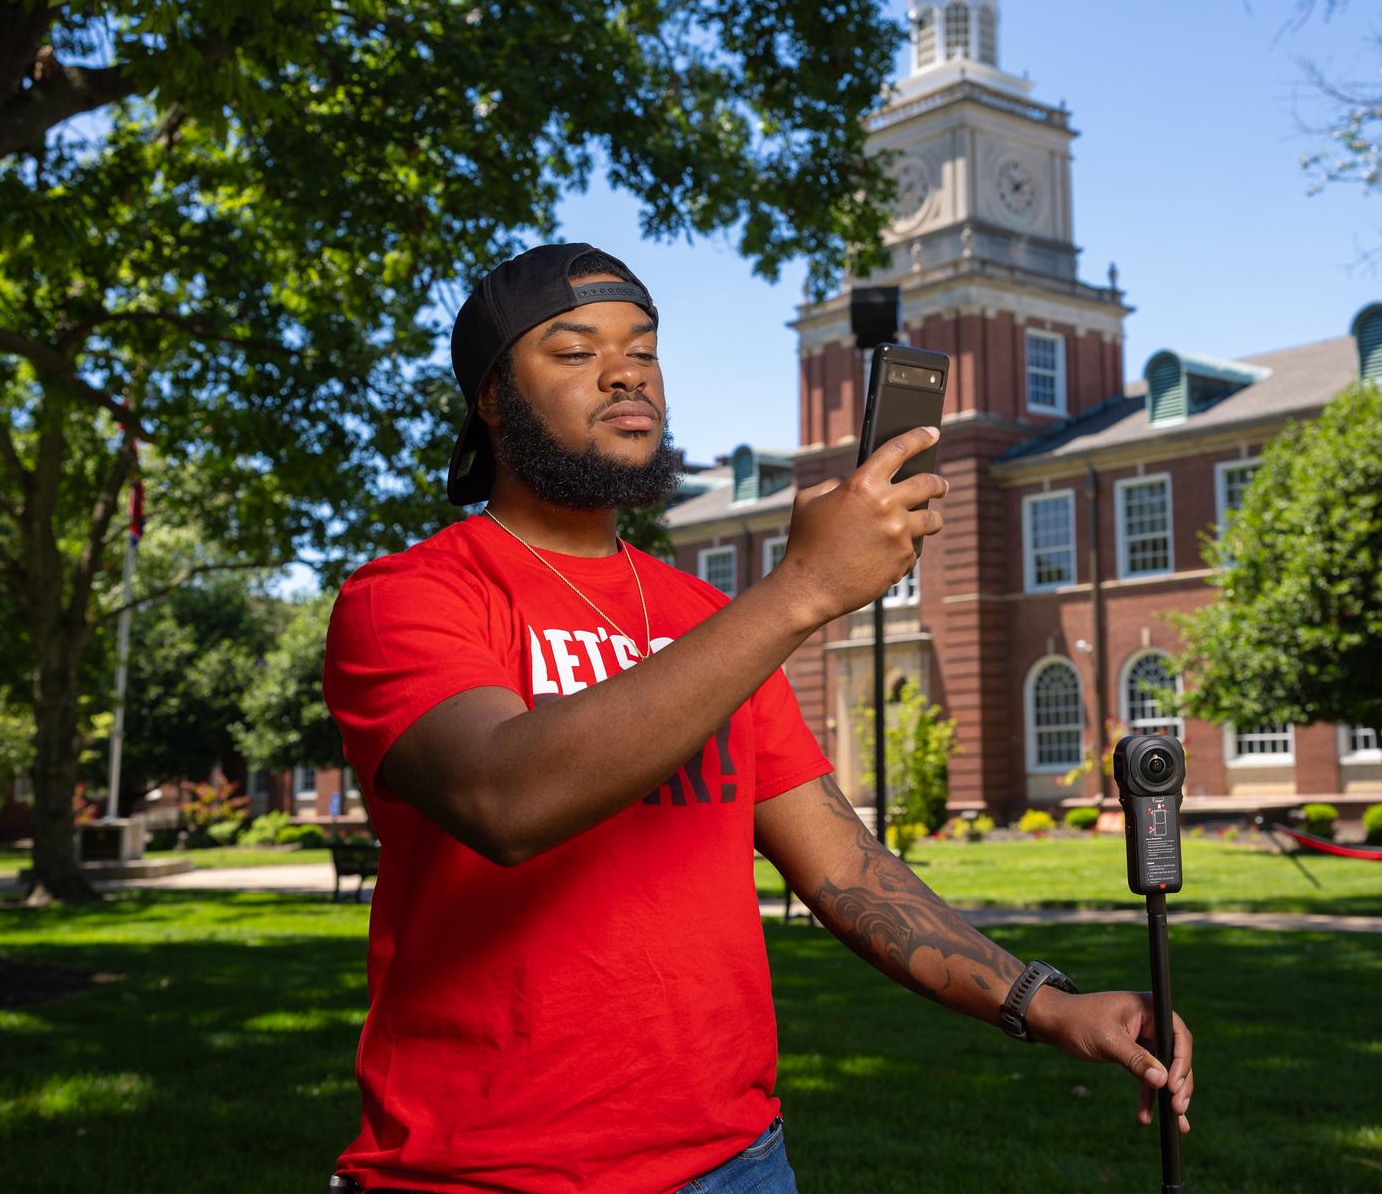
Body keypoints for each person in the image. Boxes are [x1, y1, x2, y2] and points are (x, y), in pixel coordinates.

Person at [322, 243, 1195, 1194]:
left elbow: (845, 870)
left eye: (643, 349)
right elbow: (503, 794)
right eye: (575, 353)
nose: (625, 374)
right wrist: (802, 590)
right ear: (491, 397)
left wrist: (1044, 1001)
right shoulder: (409, 598)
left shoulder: (702, 620)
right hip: (485, 1172)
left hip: (737, 1163)